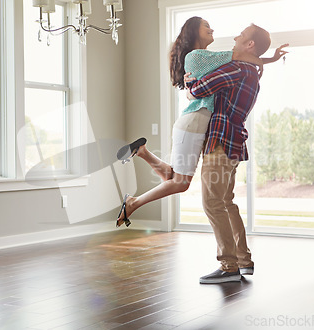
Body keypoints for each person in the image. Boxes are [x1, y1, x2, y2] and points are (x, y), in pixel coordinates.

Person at [115, 17, 287, 227]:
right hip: (195, 122)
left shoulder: (210, 58)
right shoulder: (198, 56)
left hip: (194, 122)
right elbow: (242, 57)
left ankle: (142, 152)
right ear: (194, 32)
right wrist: (269, 60)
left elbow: (244, 59)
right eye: (206, 26)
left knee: (175, 177)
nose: (211, 28)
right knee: (180, 183)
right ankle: (133, 202)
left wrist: (267, 59)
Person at [184, 23, 273, 284]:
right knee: (227, 202)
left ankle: (228, 266)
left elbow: (199, 90)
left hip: (220, 144)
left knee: (212, 203)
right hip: (234, 144)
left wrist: (191, 84)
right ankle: (243, 261)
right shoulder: (252, 72)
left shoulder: (235, 68)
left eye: (241, 35)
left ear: (250, 45)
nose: (235, 37)